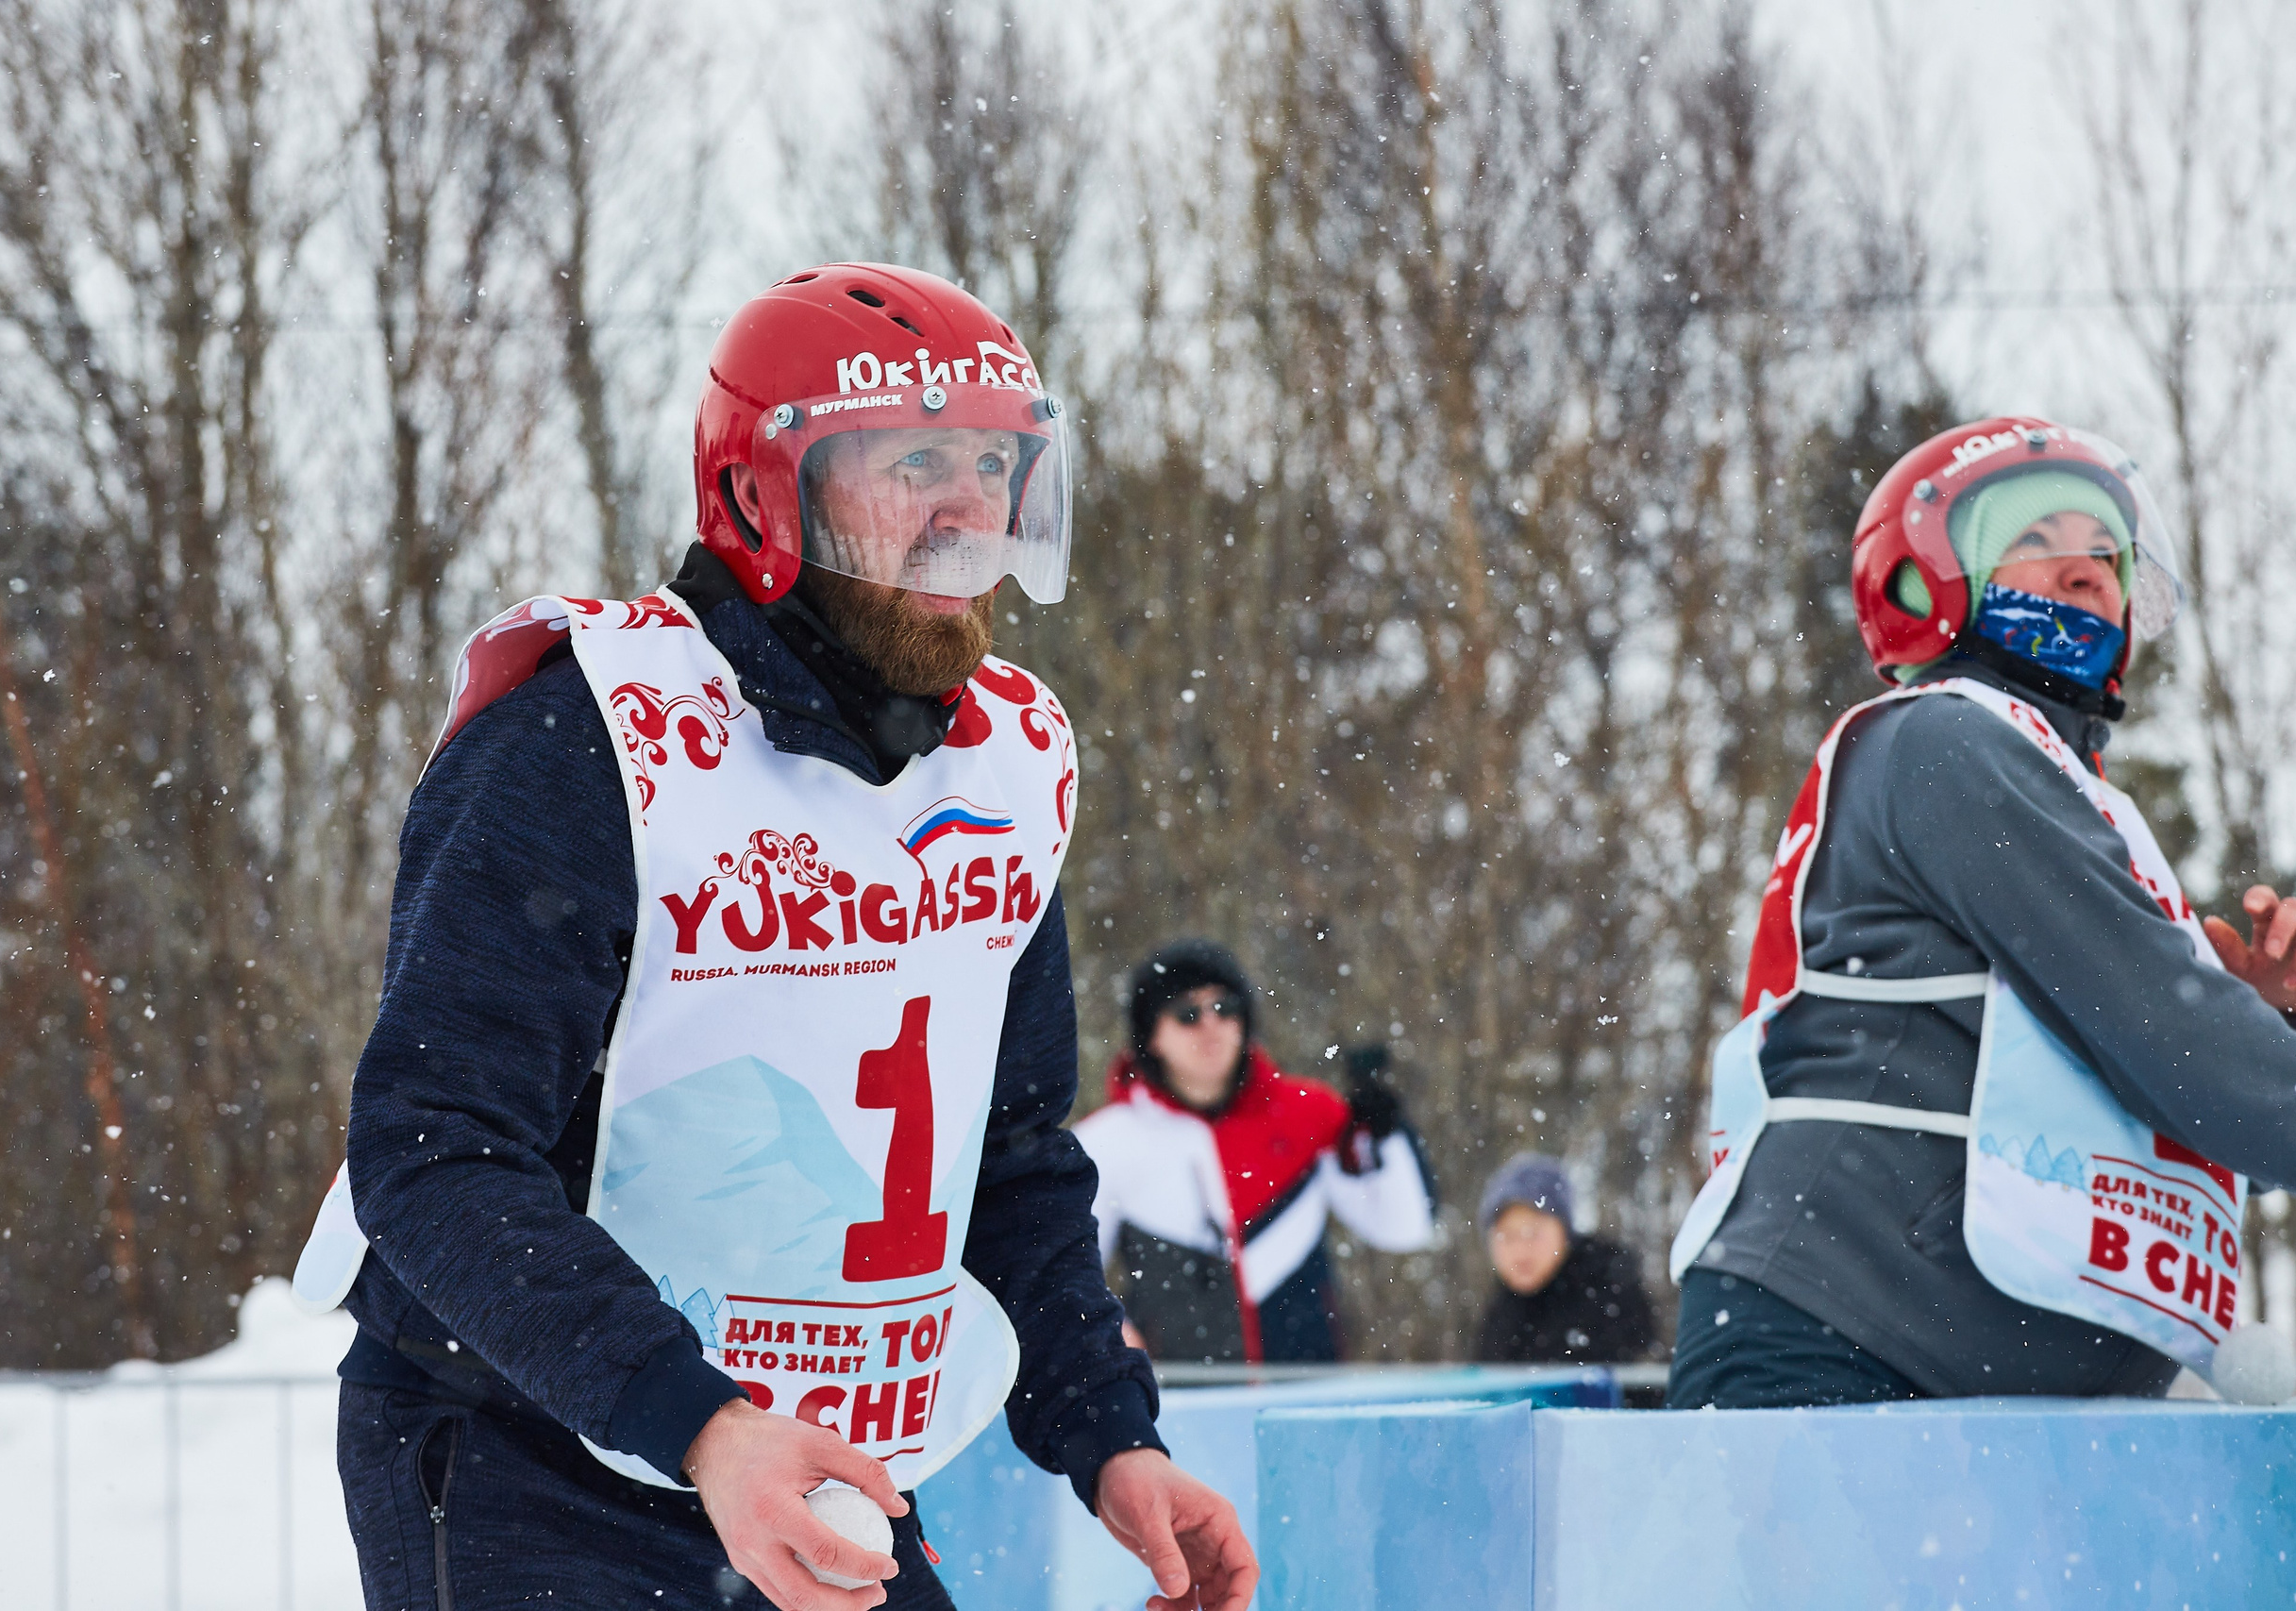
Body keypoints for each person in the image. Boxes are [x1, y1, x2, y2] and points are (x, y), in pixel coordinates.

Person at [292, 264, 1254, 1611]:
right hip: (530, 1448)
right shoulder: (589, 737)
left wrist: (1110, 1435)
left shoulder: (1008, 762)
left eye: (995, 463)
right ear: (762, 494)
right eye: (915, 460)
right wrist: (698, 1418)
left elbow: (1012, 1158)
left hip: (819, 1460)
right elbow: (433, 1144)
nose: (967, 511)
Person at [1668, 416, 2296, 1410]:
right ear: (1930, 580)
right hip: (1841, 1348)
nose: (2081, 566)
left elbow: (2169, 1085)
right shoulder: (1946, 742)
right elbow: (2172, 1040)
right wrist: (2242, 1048)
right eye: (2031, 540)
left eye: (2100, 545)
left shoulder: (2055, 785)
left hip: (1942, 1388)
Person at [1073, 939, 1437, 1364]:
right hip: (1180, 1403)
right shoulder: (1106, 1142)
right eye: (1187, 1014)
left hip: (1306, 1396)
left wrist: (1388, 1135)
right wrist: (1113, 1339)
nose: (1211, 1026)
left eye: (1225, 1008)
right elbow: (1068, 1277)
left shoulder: (1309, 1112)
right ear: (1151, 1035)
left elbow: (1404, 1229)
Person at [1472, 1153, 1659, 1364]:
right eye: (1508, 1236)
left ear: (1564, 1232)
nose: (1521, 1250)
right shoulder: (1499, 1315)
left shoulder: (1609, 1292)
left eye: (1533, 1233)